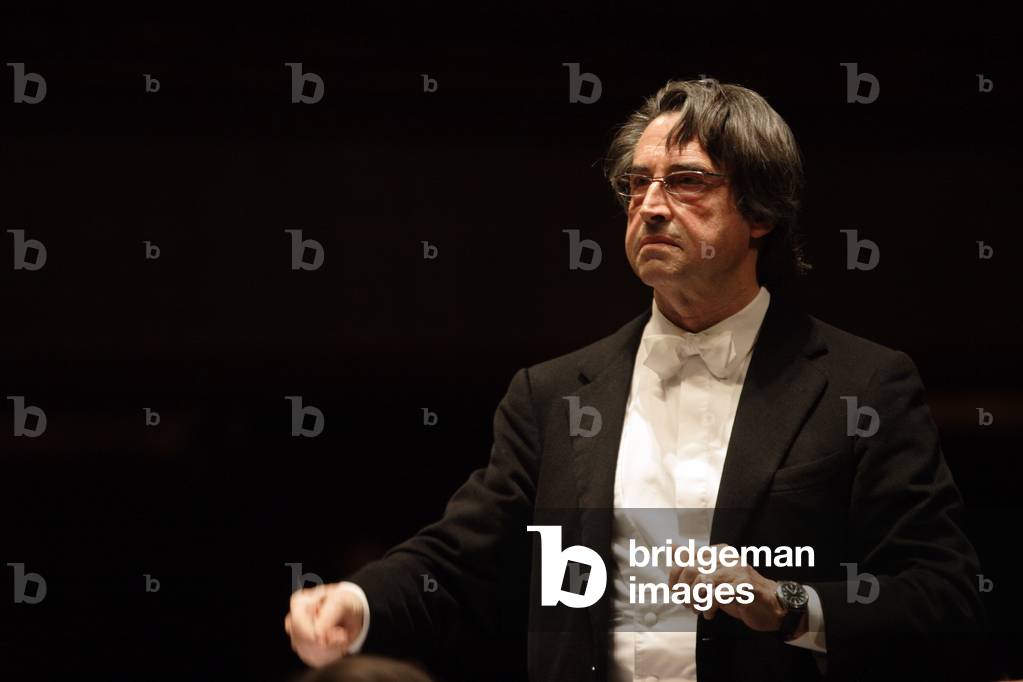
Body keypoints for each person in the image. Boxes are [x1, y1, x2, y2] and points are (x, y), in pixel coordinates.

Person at [285, 79, 986, 681]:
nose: (650, 206)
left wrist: (788, 604)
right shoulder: (553, 394)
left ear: (762, 213)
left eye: (685, 182)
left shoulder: (861, 384)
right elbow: (461, 554)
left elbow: (942, 593)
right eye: (636, 183)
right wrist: (360, 600)